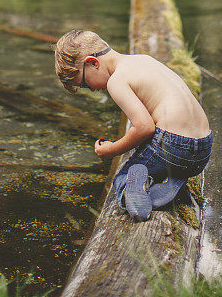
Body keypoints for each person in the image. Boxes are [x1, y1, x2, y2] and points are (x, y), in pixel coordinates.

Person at [54, 29, 212, 221]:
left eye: (85, 84)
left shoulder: (116, 81)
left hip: (174, 146)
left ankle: (151, 190)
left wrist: (113, 149)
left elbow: (144, 127)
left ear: (92, 63)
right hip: (203, 150)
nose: (93, 89)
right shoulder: (143, 59)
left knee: (121, 179)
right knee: (148, 155)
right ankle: (172, 184)